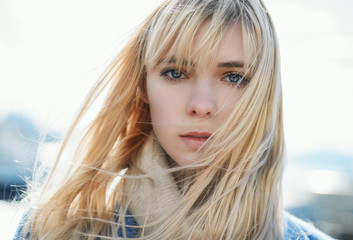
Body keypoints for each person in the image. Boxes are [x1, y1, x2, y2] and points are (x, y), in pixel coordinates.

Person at [14, 0, 336, 239]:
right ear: (142, 88)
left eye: (234, 77)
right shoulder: (53, 229)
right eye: (175, 73)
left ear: (263, 94)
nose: (201, 106)